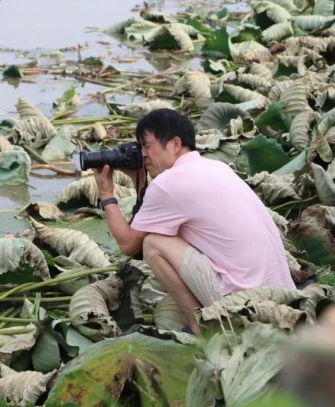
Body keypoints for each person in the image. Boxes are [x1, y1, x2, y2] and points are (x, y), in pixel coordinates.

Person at [94, 108, 295, 336]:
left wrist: (106, 194)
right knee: (165, 235)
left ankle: (201, 328)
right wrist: (138, 179)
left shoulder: (169, 183)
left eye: (147, 146)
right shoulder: (216, 167)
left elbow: (129, 244)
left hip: (243, 302)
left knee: (153, 244)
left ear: (175, 144)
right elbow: (157, 217)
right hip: (278, 297)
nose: (143, 154)